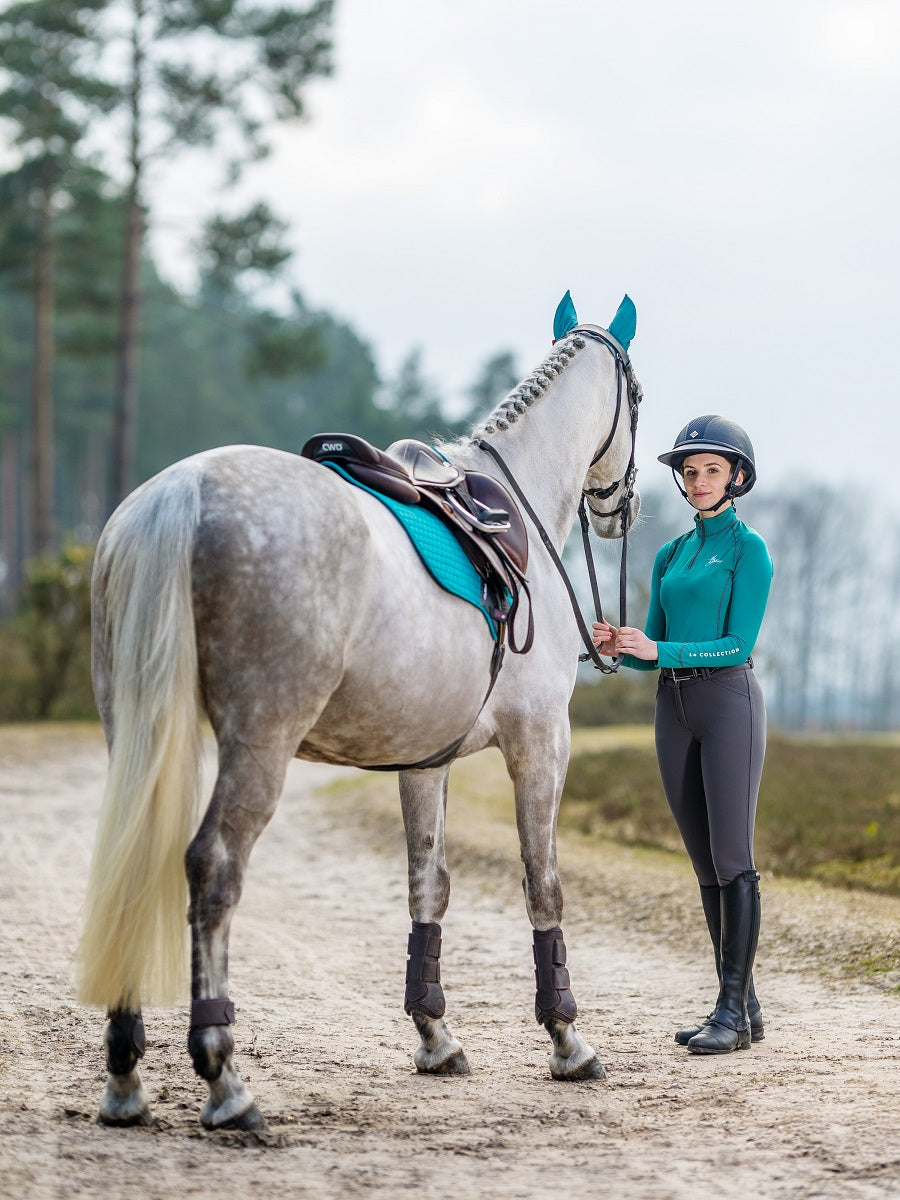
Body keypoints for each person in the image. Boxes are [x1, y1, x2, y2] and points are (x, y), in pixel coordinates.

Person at [592, 415, 773, 1055]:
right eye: (690, 472)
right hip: (673, 708)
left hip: (728, 703)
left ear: (738, 478)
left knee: (733, 858)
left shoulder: (749, 551)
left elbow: (737, 643)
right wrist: (621, 644)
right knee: (702, 861)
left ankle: (729, 1009)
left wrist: (659, 646)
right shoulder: (671, 554)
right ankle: (743, 1006)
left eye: (712, 471)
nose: (698, 482)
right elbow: (650, 651)